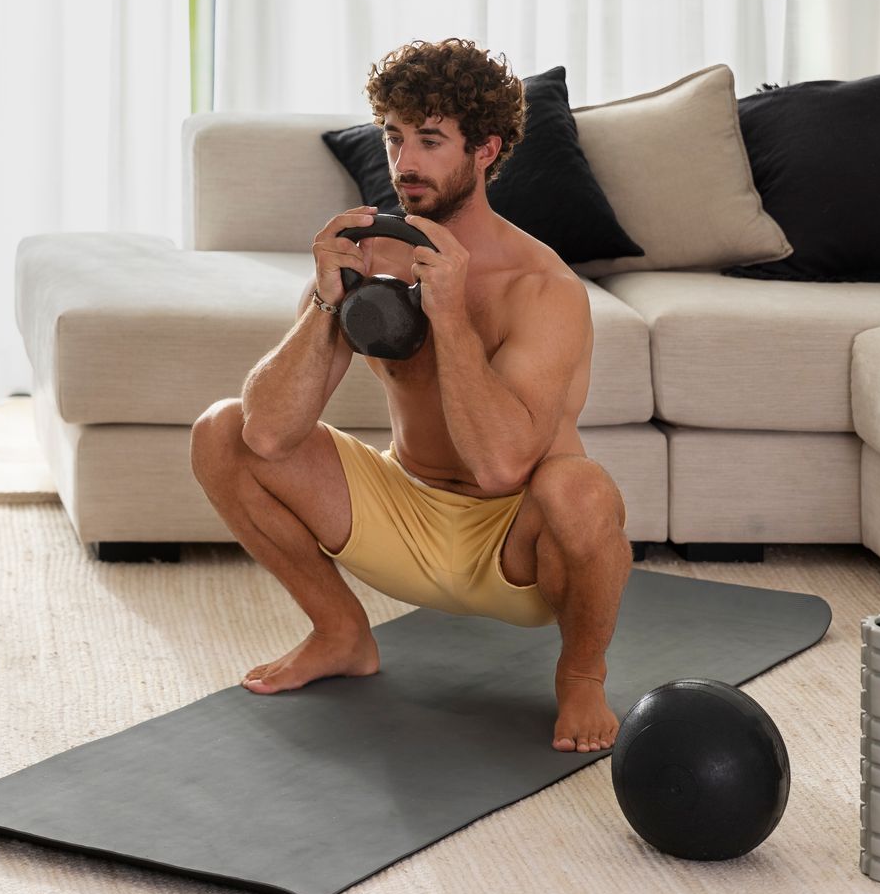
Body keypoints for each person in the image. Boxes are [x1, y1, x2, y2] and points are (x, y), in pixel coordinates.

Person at [189, 38, 634, 752]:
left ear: (485, 151)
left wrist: (449, 314)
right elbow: (269, 434)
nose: (405, 163)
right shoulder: (368, 255)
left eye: (430, 141)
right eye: (394, 138)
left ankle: (581, 676)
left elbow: (499, 467)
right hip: (403, 511)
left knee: (582, 491)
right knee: (222, 428)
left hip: (513, 546)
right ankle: (340, 633)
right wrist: (327, 303)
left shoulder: (542, 288)